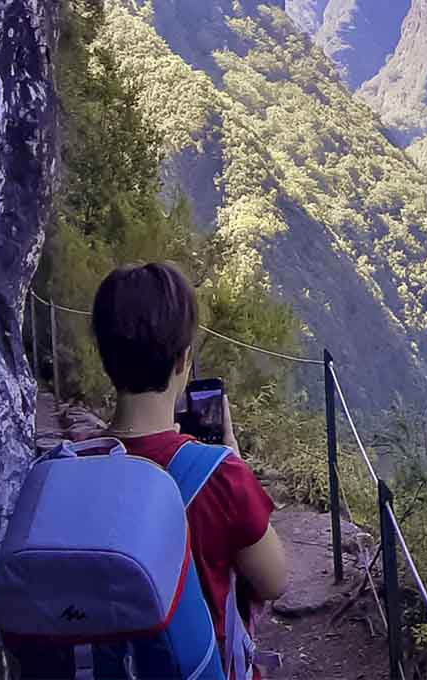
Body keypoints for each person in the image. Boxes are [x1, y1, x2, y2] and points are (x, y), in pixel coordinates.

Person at [91, 262, 289, 668]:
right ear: (183, 361)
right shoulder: (220, 476)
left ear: (104, 358)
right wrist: (229, 457)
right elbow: (274, 581)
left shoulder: (68, 470)